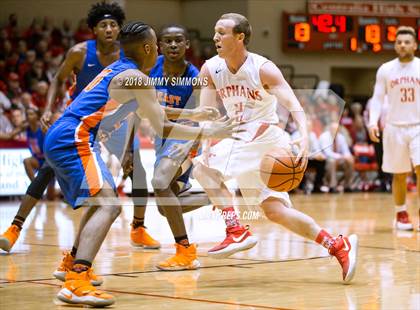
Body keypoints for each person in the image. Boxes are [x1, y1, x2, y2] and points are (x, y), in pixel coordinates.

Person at [44, 20, 239, 307]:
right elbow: (160, 126)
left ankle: (71, 264)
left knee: (102, 202)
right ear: (149, 48)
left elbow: (153, 108)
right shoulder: (138, 78)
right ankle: (77, 281)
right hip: (75, 138)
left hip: (64, 135)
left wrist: (196, 115)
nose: (160, 50)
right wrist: (209, 131)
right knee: (109, 205)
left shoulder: (122, 72)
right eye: (157, 46)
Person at [192, 13, 358, 283]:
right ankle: (337, 245)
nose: (215, 38)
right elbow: (206, 115)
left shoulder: (263, 69)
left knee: (201, 168)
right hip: (240, 138)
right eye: (214, 31)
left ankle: (235, 230)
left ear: (239, 37)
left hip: (265, 137)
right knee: (275, 212)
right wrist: (210, 160)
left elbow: (294, 105)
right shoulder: (211, 69)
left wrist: (304, 137)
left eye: (221, 32)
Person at [0, 2, 157, 259]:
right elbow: (59, 79)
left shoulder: (126, 57)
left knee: (136, 169)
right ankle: (14, 227)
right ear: (94, 29)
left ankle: (138, 228)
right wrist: (49, 109)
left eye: (114, 24)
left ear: (120, 30)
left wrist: (128, 148)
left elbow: (134, 105)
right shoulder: (80, 52)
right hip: (80, 118)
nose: (109, 29)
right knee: (47, 169)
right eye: (103, 25)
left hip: (111, 119)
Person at [368, 26, 419, 231]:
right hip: (394, 127)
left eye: (407, 42)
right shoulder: (386, 69)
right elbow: (378, 98)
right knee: (399, 174)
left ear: (415, 45)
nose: (403, 45)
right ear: (395, 45)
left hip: (418, 126)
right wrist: (372, 122)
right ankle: (401, 213)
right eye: (399, 42)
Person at [319, 122, 354, 193]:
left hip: (339, 159)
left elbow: (346, 151)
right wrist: (341, 157)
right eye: (333, 129)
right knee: (332, 161)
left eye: (337, 129)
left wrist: (348, 156)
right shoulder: (324, 136)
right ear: (330, 129)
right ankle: (332, 186)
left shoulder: (341, 137)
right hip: (325, 160)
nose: (335, 131)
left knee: (350, 161)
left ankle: (347, 186)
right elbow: (327, 153)